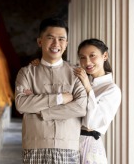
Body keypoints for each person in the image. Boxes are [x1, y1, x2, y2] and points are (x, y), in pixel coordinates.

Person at [15, 17, 87, 163]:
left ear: (66, 43)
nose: (56, 44)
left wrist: (41, 110)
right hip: (35, 147)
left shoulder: (76, 74)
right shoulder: (27, 73)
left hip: (68, 148)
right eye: (50, 38)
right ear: (40, 41)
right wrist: (60, 99)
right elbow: (21, 104)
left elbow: (80, 107)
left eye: (61, 39)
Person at [73, 38, 121, 164]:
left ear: (105, 55)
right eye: (82, 57)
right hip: (69, 141)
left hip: (89, 147)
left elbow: (91, 123)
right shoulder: (78, 82)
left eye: (92, 56)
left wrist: (88, 87)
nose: (87, 62)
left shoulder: (112, 90)